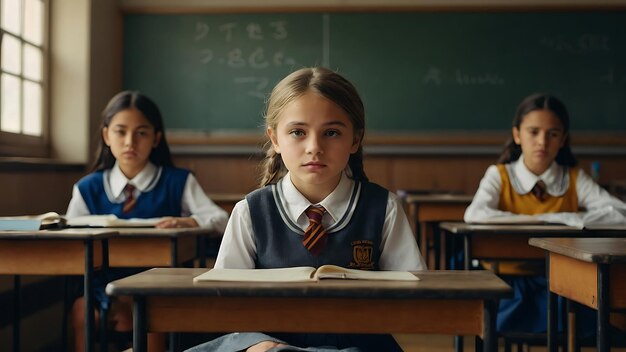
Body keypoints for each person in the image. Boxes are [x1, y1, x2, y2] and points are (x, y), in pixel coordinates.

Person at [188, 67, 426, 352]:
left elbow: (416, 299)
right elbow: (223, 302)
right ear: (275, 138)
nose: (314, 147)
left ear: (355, 139)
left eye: (332, 133)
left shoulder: (382, 208)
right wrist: (258, 343)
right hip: (270, 347)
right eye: (298, 132)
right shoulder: (250, 211)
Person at [66, 90, 229, 352]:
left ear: (156, 139)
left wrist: (190, 222)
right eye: (120, 132)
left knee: (152, 310)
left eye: (141, 133)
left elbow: (220, 219)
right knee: (81, 311)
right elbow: (70, 231)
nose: (130, 141)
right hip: (103, 286)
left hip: (160, 284)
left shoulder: (178, 181)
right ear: (107, 135)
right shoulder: (88, 187)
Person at [464, 93, 626, 336]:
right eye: (533, 132)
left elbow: (620, 213)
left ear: (563, 139)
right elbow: (475, 214)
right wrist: (549, 220)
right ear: (517, 135)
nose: (542, 141)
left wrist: (569, 219)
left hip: (560, 285)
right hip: (508, 283)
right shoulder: (499, 175)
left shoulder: (573, 177)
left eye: (553, 134)